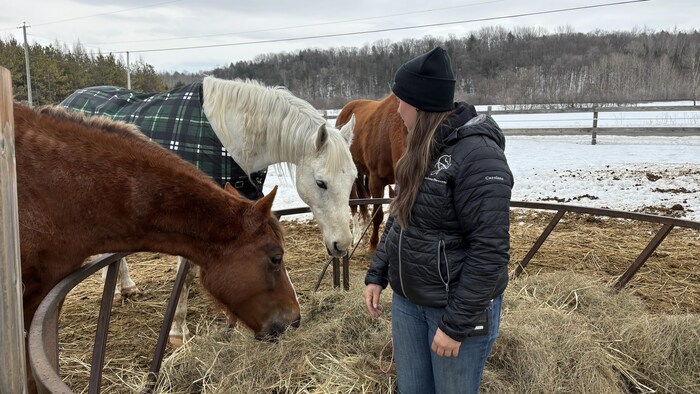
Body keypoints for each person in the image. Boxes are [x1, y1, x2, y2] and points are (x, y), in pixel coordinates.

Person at [364, 46, 513, 394]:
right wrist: (378, 273)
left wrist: (455, 325)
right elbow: (400, 217)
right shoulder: (421, 148)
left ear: (419, 105)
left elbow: (490, 251)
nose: (397, 110)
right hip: (408, 304)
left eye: (401, 101)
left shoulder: (479, 157)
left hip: (451, 311)